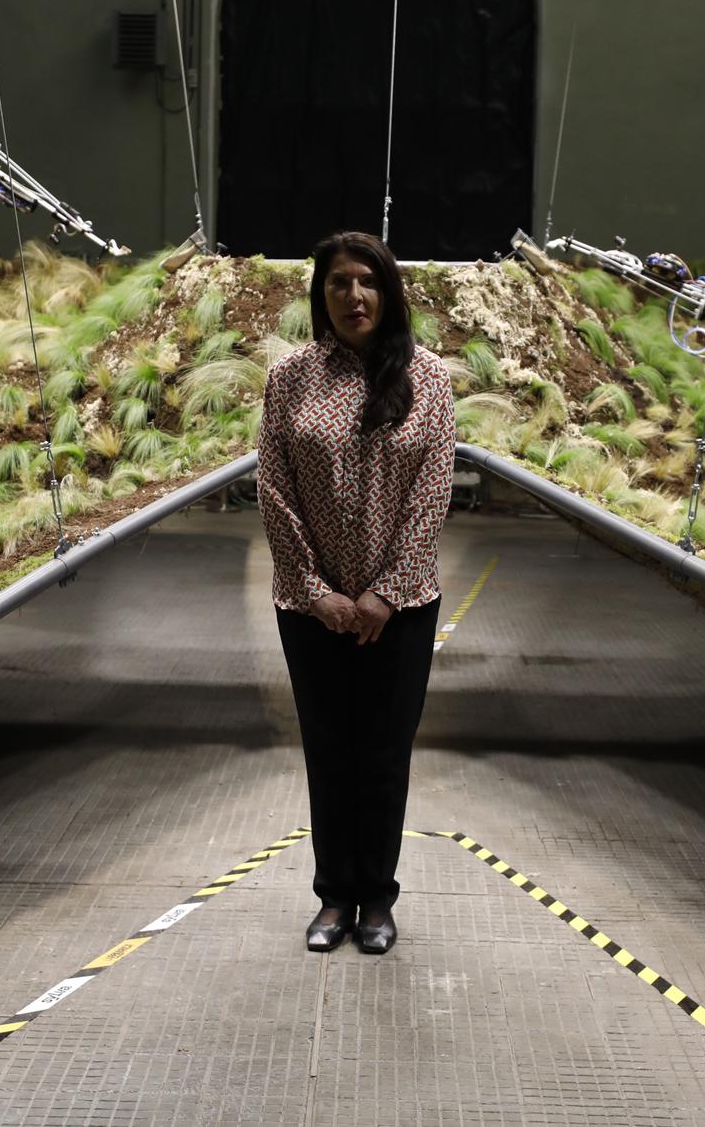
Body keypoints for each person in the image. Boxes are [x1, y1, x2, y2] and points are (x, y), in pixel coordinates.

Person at [257, 231, 456, 956]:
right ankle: (333, 896)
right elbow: (274, 490)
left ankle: (377, 897)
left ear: (388, 291)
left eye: (366, 281)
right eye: (338, 283)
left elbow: (432, 495)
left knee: (382, 750)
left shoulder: (429, 378)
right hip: (310, 610)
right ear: (321, 295)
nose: (353, 296)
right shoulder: (290, 380)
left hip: (399, 609)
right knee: (328, 750)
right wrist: (316, 592)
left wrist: (383, 593)